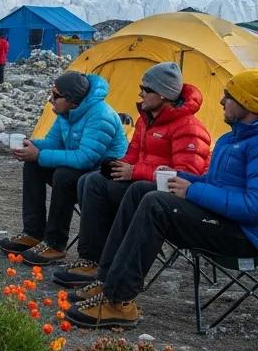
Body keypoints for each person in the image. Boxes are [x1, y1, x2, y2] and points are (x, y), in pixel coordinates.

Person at [66, 69, 258, 329]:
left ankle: (118, 301)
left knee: (157, 204)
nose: (222, 102)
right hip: (226, 220)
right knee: (141, 190)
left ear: (246, 103)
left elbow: (257, 207)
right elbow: (216, 184)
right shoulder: (232, 139)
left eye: (228, 96)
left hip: (250, 236)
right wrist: (173, 176)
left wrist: (191, 191)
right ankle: (107, 280)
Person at [53, 62, 211, 292]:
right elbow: (133, 154)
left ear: (163, 94)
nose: (140, 93)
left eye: (146, 89)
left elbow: (188, 175)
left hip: (163, 195)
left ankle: (106, 266)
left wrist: (134, 172)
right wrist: (120, 167)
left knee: (107, 187)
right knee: (93, 180)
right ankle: (92, 259)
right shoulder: (146, 120)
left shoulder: (189, 127)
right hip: (140, 182)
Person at [0, 71, 127, 264]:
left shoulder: (101, 115)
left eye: (56, 96)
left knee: (63, 175)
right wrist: (30, 146)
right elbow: (53, 142)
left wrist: (40, 155)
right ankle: (33, 233)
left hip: (102, 176)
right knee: (33, 165)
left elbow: (85, 158)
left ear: (73, 101)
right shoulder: (66, 113)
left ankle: (55, 244)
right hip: (81, 169)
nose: (51, 99)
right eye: (51, 93)